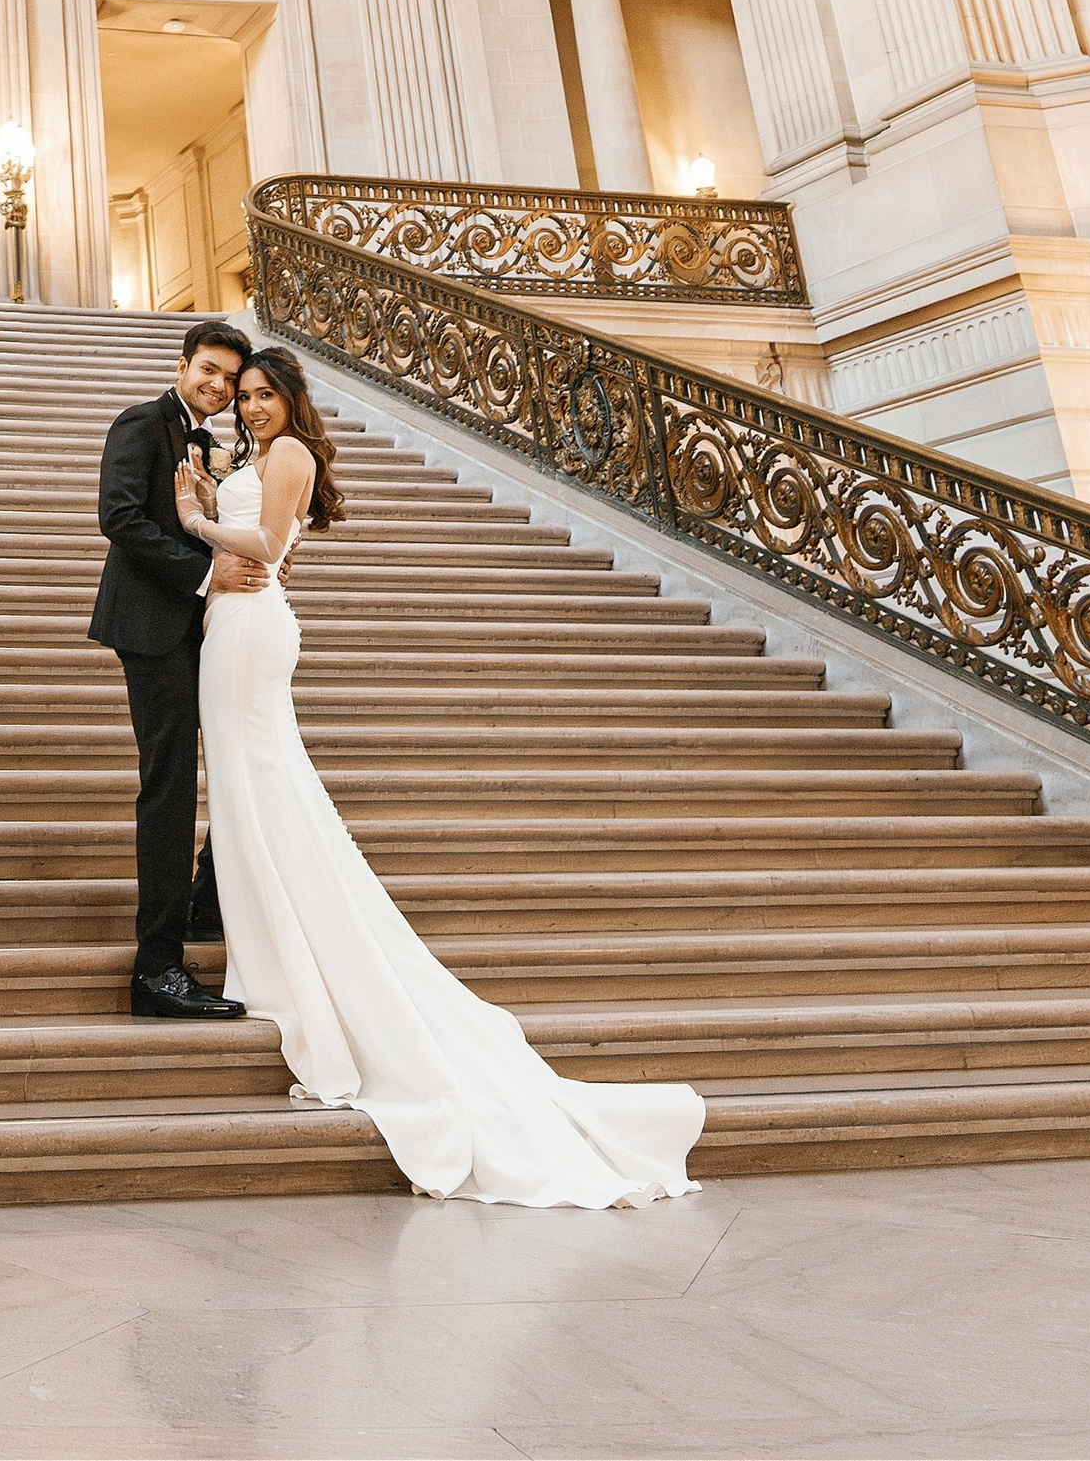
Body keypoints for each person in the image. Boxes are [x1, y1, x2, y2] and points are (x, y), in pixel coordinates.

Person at [178, 343, 706, 1208]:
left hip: (249, 625)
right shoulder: (257, 456)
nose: (253, 405)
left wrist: (197, 521)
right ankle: (275, 950)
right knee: (249, 795)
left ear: (292, 397)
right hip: (234, 628)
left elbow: (269, 544)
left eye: (266, 392)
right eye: (246, 395)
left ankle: (289, 967)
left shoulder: (291, 453)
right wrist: (208, 500)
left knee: (259, 791)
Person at [88, 316, 266, 1022]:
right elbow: (120, 517)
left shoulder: (214, 442)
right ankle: (156, 967)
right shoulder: (141, 422)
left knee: (244, 757)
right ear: (183, 362)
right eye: (210, 371)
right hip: (156, 627)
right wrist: (206, 574)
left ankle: (203, 902)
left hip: (210, 629)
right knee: (168, 788)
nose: (220, 386)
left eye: (230, 377)